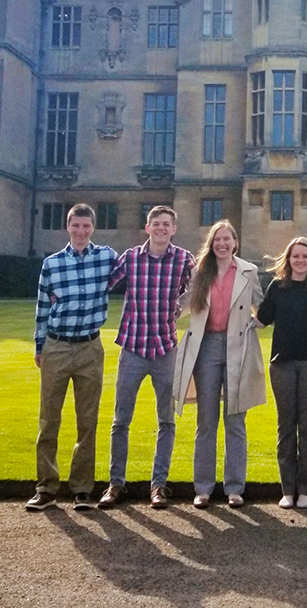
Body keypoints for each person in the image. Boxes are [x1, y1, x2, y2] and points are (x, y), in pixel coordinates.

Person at [97, 206, 194, 510]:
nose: (161, 228)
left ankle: (158, 485)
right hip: (133, 348)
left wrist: (181, 306)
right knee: (120, 421)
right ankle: (116, 484)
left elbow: (201, 289)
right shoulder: (130, 258)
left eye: (166, 224)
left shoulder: (183, 260)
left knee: (166, 421)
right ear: (147, 226)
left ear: (174, 228)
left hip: (166, 349)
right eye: (156, 224)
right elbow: (103, 284)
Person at [27, 203, 118, 512]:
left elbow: (141, 269)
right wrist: (40, 347)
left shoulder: (106, 257)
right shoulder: (52, 264)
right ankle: (46, 488)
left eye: (86, 226)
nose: (81, 232)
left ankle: (82, 489)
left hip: (90, 347)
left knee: (88, 421)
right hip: (57, 345)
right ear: (68, 227)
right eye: (76, 226)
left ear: (93, 228)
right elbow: (42, 308)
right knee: (49, 419)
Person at [170, 220, 265, 509]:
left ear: (235, 242)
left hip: (238, 346)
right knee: (206, 421)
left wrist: (256, 323)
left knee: (236, 420)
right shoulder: (200, 271)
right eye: (217, 240)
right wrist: (162, 315)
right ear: (211, 244)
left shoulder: (249, 271)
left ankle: (235, 487)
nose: (222, 244)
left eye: (227, 239)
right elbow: (182, 305)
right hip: (206, 347)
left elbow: (262, 307)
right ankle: (203, 488)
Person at [256, 236, 307, 509]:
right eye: (296, 256)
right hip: (282, 363)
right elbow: (260, 321)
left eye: (306, 256)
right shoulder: (278, 287)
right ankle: (287, 489)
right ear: (288, 259)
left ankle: (305, 489)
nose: (300, 260)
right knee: (286, 426)